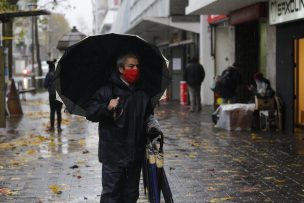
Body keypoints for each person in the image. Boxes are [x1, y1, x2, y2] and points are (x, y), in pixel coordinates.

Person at [85, 53, 163, 203]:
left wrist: (153, 127)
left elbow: (148, 117)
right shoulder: (107, 90)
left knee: (131, 195)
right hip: (113, 156)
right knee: (111, 195)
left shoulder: (142, 92)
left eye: (137, 66)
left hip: (135, 155)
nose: (135, 69)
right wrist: (107, 107)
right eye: (131, 66)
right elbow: (90, 113)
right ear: (121, 69)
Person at [44, 59, 63, 132]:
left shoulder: (49, 75)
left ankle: (52, 127)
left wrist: (50, 85)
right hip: (59, 96)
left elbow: (45, 85)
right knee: (59, 112)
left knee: (52, 111)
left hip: (52, 95)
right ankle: (59, 127)